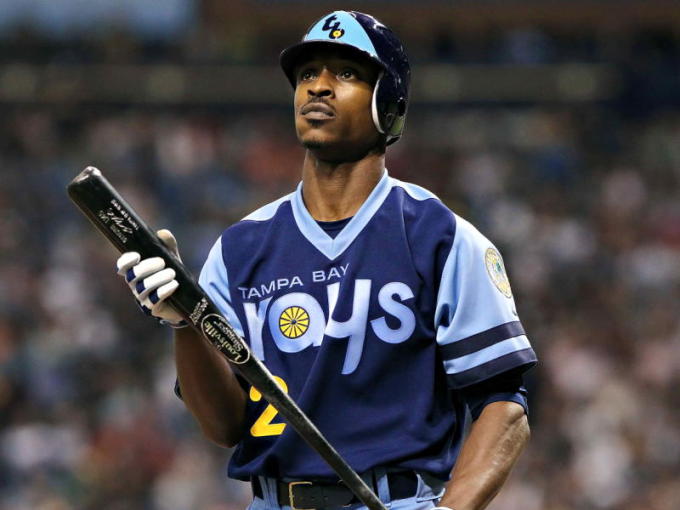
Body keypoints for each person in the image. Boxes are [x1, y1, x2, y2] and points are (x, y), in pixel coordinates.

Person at [115, 11, 537, 510]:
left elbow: (504, 408)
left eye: (347, 73)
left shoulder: (440, 237)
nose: (318, 86)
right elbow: (224, 426)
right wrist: (184, 320)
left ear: (389, 104)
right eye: (308, 74)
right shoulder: (239, 248)